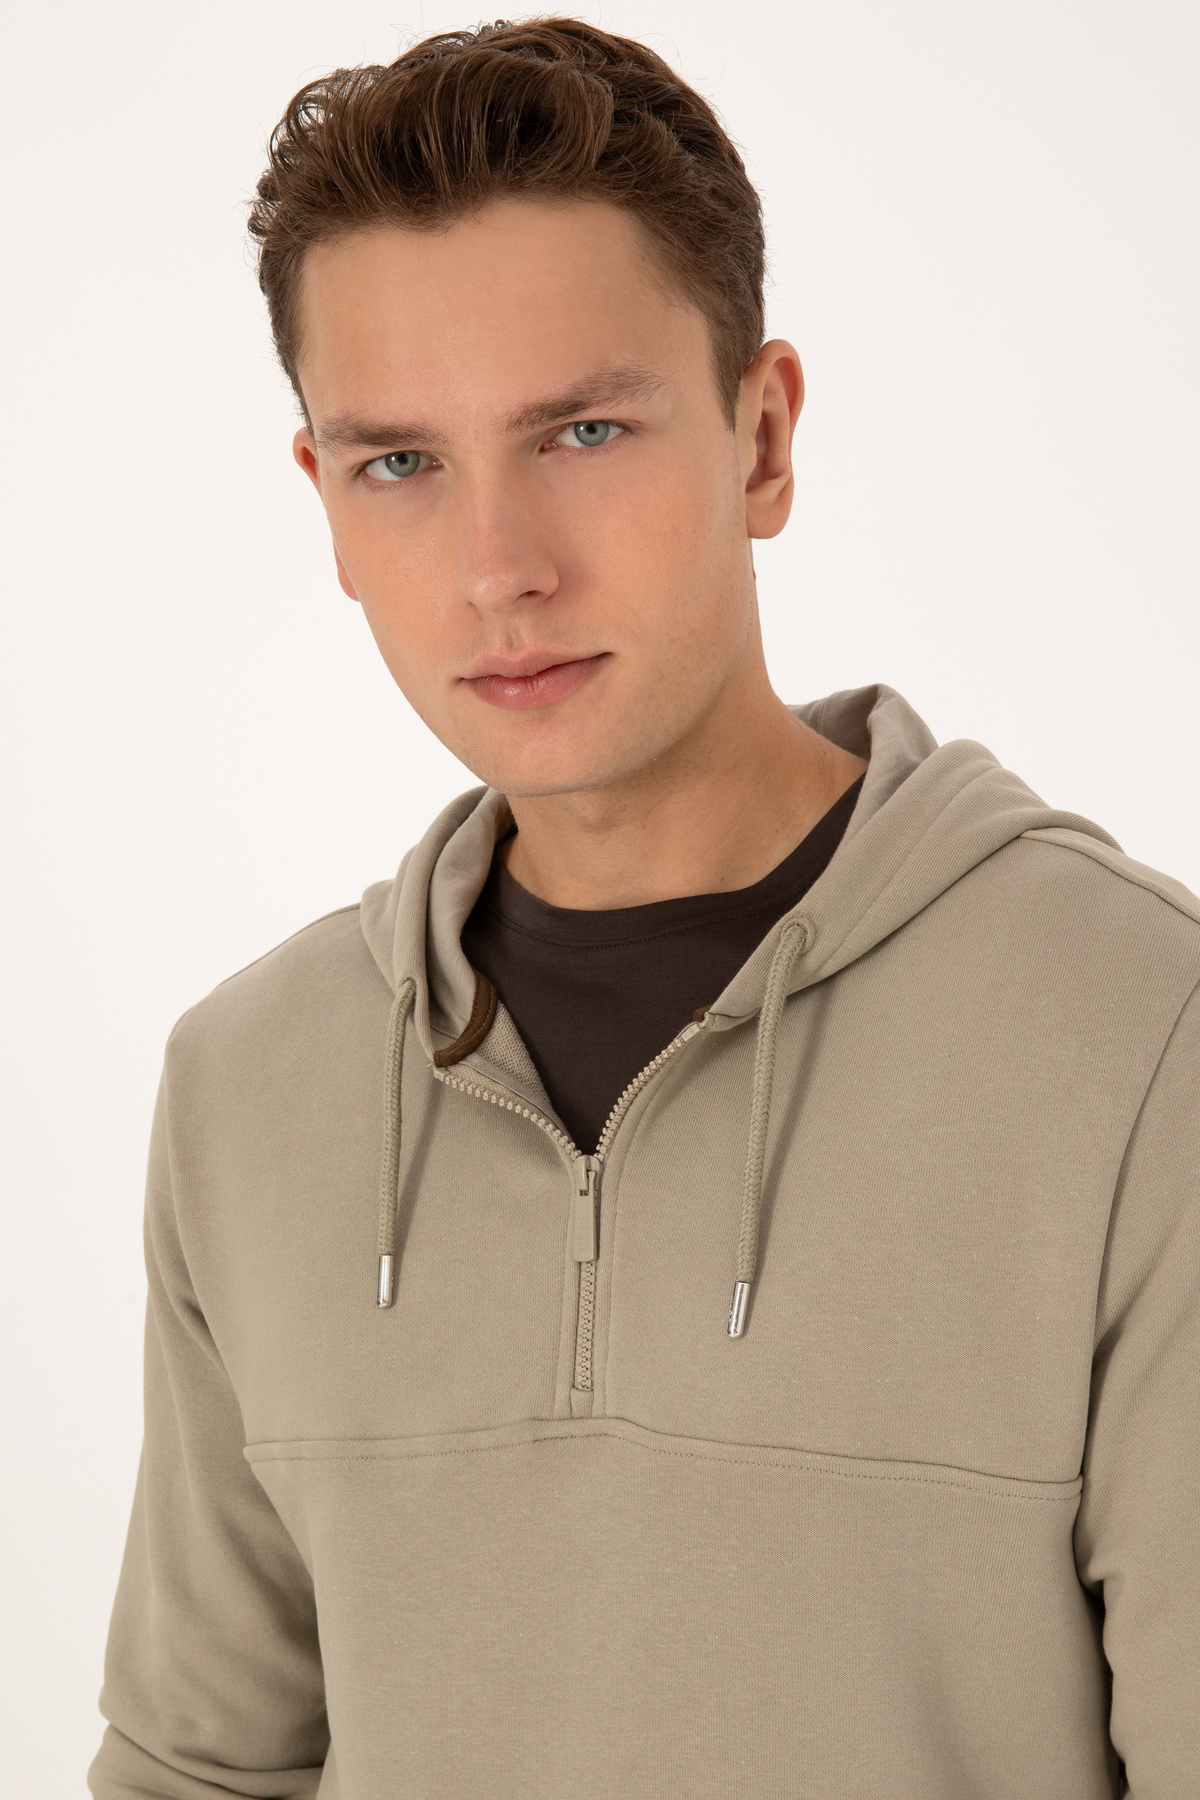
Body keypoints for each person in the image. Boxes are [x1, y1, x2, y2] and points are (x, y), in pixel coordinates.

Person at [90, 20, 1199, 1799]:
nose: (500, 568)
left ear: (762, 438)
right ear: (324, 504)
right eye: (401, 464)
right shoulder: (249, 1084)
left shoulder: (1141, 1040)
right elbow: (200, 1772)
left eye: (584, 430)